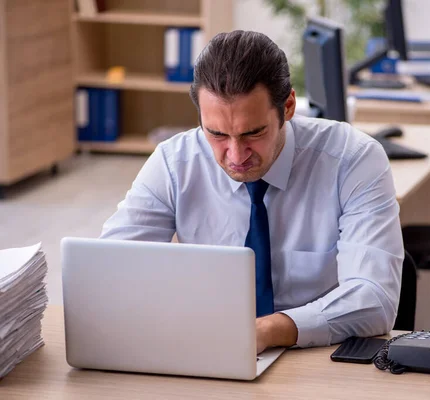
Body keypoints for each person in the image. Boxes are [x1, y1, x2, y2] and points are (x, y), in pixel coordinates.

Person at [100, 30, 404, 354]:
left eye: (253, 132)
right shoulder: (175, 163)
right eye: (216, 133)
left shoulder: (352, 159)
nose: (236, 155)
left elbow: (374, 300)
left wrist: (267, 331)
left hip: (317, 356)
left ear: (288, 106)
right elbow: (109, 273)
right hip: (211, 350)